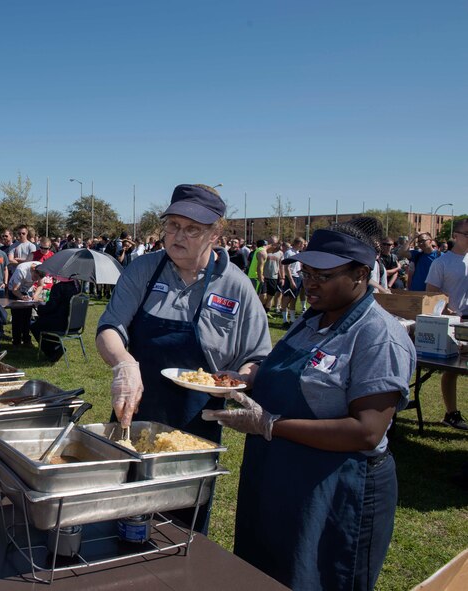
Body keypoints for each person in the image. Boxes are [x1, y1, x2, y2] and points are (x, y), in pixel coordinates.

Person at [203, 222, 416, 590]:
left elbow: (366, 431)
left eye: (325, 275)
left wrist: (270, 425)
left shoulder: (379, 337)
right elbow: (283, 370)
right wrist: (248, 378)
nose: (310, 283)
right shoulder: (309, 319)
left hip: (335, 489)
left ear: (360, 275)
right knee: (263, 574)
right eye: (307, 272)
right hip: (279, 478)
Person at [95, 184, 271, 533]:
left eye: (192, 229)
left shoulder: (236, 286)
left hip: (196, 427)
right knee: (119, 516)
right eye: (173, 225)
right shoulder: (143, 270)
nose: (178, 236)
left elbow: (258, 357)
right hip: (135, 415)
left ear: (216, 234)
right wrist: (124, 364)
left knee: (181, 528)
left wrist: (239, 379)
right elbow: (109, 328)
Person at [425, 218, 468, 430]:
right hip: (454, 321)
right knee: (452, 368)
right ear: (456, 236)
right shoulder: (441, 262)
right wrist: (447, 309)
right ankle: (451, 413)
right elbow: (431, 293)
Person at [30, 275, 81, 362]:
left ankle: (54, 351)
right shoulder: (78, 287)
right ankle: (56, 347)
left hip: (61, 323)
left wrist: (39, 307)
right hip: (75, 324)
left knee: (35, 325)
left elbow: (51, 307)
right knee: (43, 322)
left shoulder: (59, 287)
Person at [7, 260, 42, 347]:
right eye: (35, 277)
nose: (35, 280)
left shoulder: (42, 269)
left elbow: (40, 285)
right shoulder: (21, 270)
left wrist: (35, 295)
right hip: (14, 290)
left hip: (26, 291)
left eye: (37, 278)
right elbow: (14, 290)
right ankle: (16, 341)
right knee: (17, 317)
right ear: (33, 270)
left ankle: (26, 340)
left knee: (27, 316)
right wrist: (22, 297)